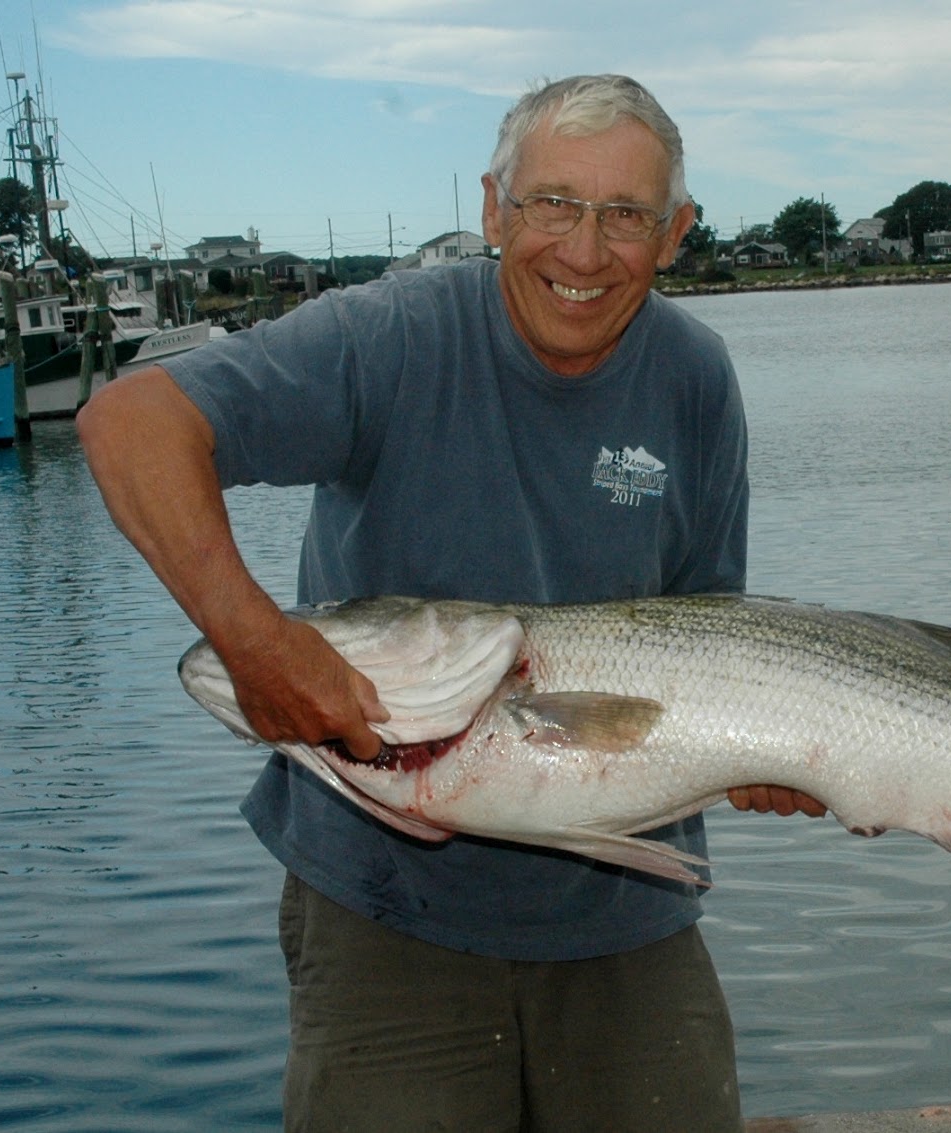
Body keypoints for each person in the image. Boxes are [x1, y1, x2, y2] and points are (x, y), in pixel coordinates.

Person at [79, 73, 822, 1132]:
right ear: (492, 208)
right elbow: (131, 422)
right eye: (553, 203)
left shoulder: (696, 376)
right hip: (387, 912)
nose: (582, 249)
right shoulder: (388, 337)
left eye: (625, 216)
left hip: (629, 908)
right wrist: (255, 643)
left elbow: (715, 633)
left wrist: (774, 753)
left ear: (675, 234)